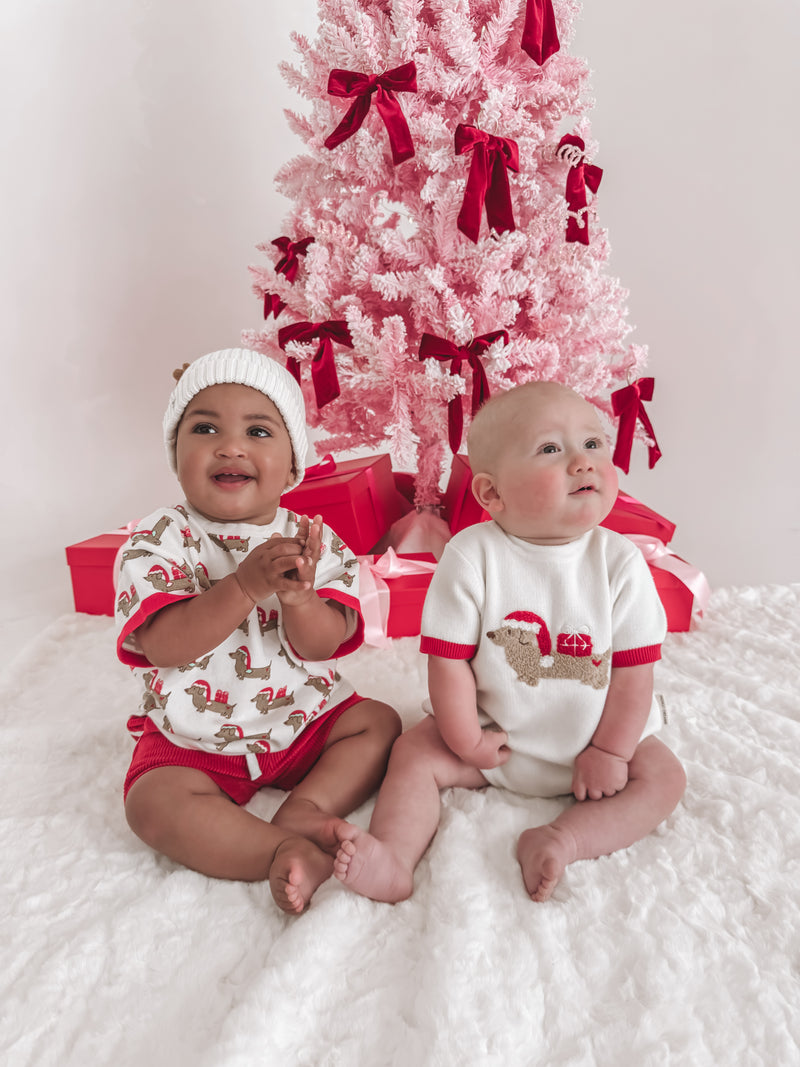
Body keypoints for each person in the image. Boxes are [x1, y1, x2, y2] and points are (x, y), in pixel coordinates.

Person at [334, 380, 686, 903]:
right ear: (492, 493)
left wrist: (611, 751)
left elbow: (635, 671)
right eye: (551, 449)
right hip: (495, 741)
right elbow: (447, 661)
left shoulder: (620, 562)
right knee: (413, 753)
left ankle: (562, 840)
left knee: (664, 778)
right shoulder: (471, 555)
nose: (584, 462)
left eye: (593, 445)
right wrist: (465, 741)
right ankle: (394, 855)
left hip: (596, 740)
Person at [116, 348, 400, 914]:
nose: (231, 445)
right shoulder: (157, 540)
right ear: (177, 456)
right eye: (204, 428)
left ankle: (307, 807)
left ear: (294, 466)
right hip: (194, 742)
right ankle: (280, 849)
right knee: (150, 803)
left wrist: (298, 598)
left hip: (301, 721)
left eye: (258, 430)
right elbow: (163, 645)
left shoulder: (315, 541)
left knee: (379, 723)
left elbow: (320, 646)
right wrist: (243, 587)